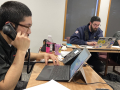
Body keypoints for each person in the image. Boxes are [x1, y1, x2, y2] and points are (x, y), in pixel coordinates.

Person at [0, 1, 59, 90]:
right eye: (27, 26)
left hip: (15, 83)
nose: (29, 32)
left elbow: (26, 56)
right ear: (10, 26)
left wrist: (43, 55)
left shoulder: (11, 41)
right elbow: (6, 87)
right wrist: (21, 50)